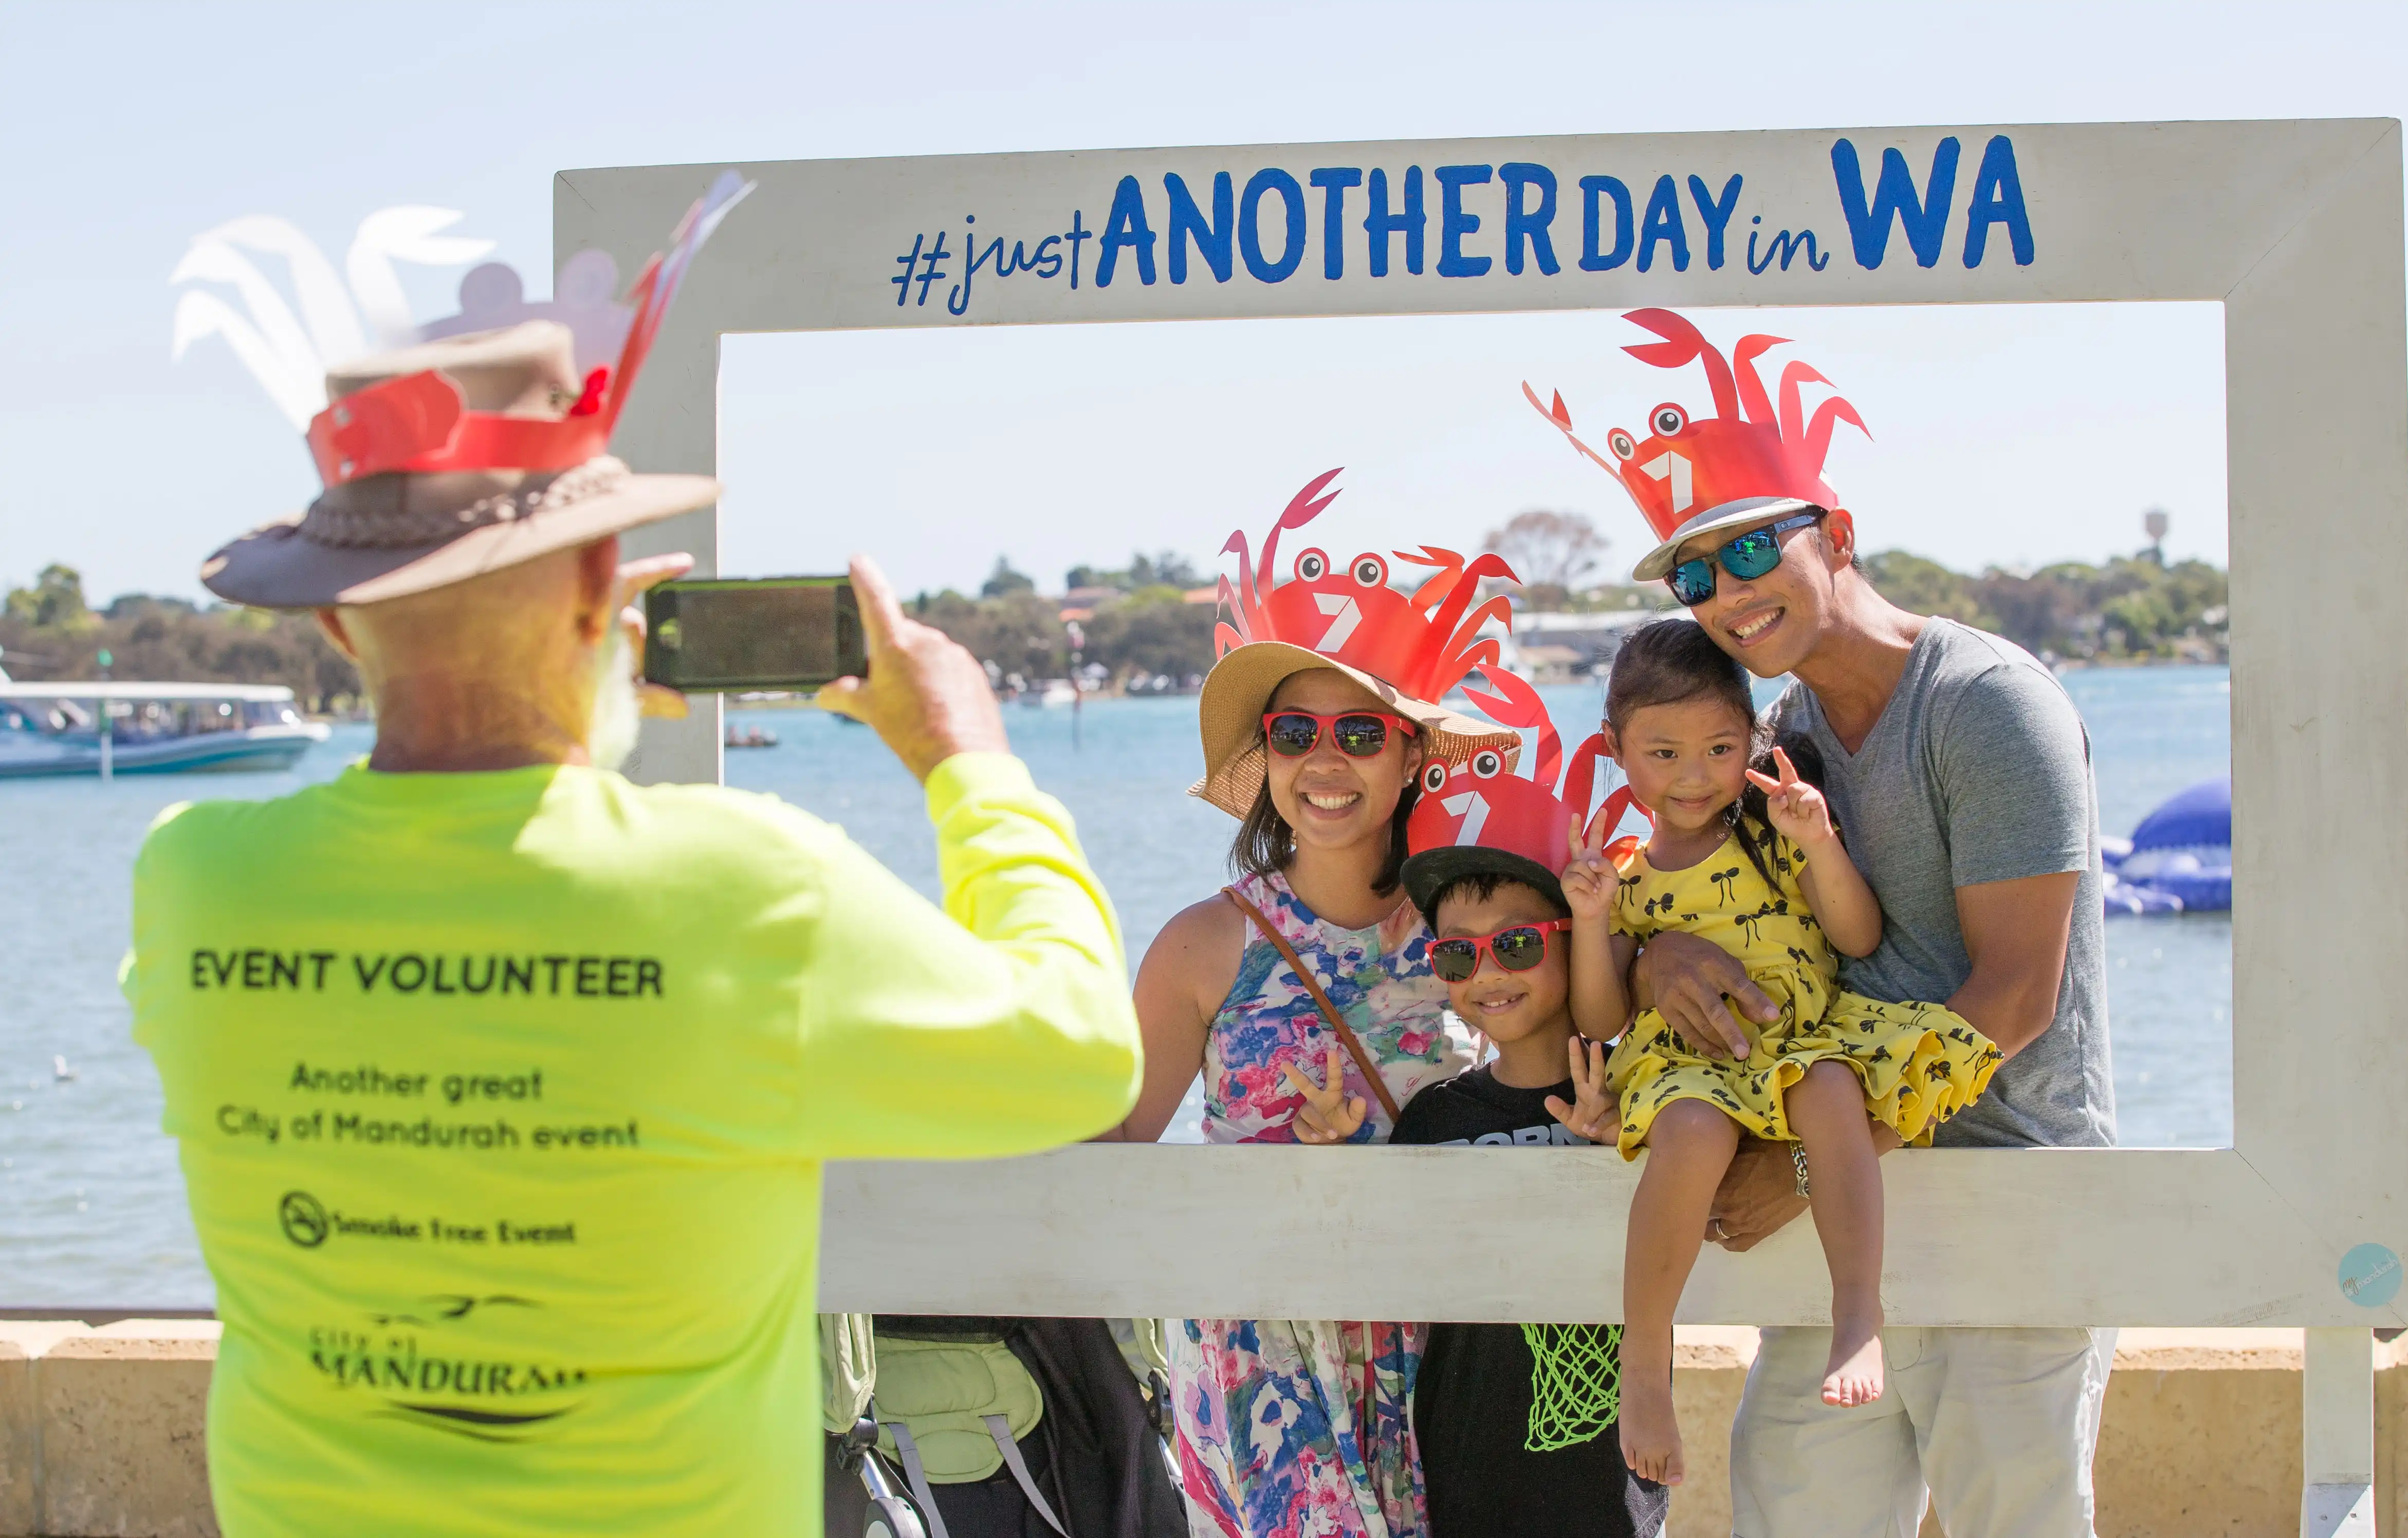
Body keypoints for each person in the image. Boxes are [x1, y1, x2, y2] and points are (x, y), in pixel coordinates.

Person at [123, 282, 1143, 1533]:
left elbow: (468, 890)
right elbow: (1083, 1053)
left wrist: (567, 690)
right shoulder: (745, 887)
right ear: (605, 578)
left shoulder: (197, 878)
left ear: (335, 619)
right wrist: (966, 759)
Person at [1536, 311, 2116, 1536]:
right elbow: (1718, 912)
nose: (1726, 593)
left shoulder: (1989, 704)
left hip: (2000, 1197)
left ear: (1836, 533)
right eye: (1693, 576)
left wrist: (1799, 1174)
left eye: (1751, 549)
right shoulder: (1767, 742)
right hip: (1834, 1184)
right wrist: (1651, 954)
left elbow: (2014, 994)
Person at [1107, 475, 1516, 1537]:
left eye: (1359, 732)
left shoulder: (1471, 940)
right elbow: (1113, 1140)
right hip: (1260, 1351)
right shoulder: (1204, 942)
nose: (1323, 761)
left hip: (1438, 1343)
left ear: (1414, 750)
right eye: (1293, 733)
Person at [1561, 620, 2000, 1488]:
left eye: (1721, 747)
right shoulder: (1624, 872)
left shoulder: (1771, 831)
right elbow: (1600, 1012)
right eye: (1663, 752)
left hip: (1802, 1040)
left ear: (1753, 738)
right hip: (1693, 1064)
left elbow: (1857, 932)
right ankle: (1647, 1362)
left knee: (1835, 1093)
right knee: (1689, 1136)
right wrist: (1587, 919)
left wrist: (1820, 842)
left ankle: (1857, 1313)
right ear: (1615, 749)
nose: (1695, 775)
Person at [1378, 682, 1669, 1538]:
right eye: (1457, 955)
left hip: (1611, 1487)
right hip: (1468, 1477)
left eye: (1515, 944)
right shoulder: (1432, 1119)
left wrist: (1620, 1145)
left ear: (1572, 937)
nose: (1488, 975)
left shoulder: (1645, 1093)